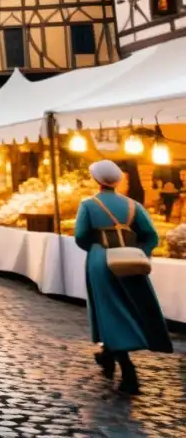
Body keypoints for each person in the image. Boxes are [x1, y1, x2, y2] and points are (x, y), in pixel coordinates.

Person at [74, 160, 172, 395]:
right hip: (129, 259)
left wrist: (97, 250)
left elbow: (80, 236)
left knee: (108, 309)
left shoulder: (88, 204)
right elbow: (151, 236)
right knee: (129, 305)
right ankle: (107, 352)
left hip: (101, 259)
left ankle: (128, 370)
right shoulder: (133, 205)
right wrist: (139, 253)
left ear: (96, 180)